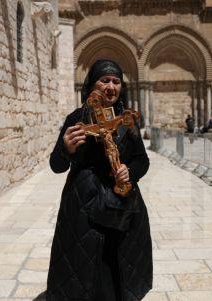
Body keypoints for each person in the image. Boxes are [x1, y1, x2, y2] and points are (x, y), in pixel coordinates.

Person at [46, 59, 153, 301]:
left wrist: (130, 171)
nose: (111, 87)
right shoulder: (77, 118)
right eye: (104, 80)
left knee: (119, 265)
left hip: (122, 202)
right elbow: (56, 165)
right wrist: (66, 149)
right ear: (91, 85)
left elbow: (142, 160)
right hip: (83, 205)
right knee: (85, 268)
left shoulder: (126, 120)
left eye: (116, 81)